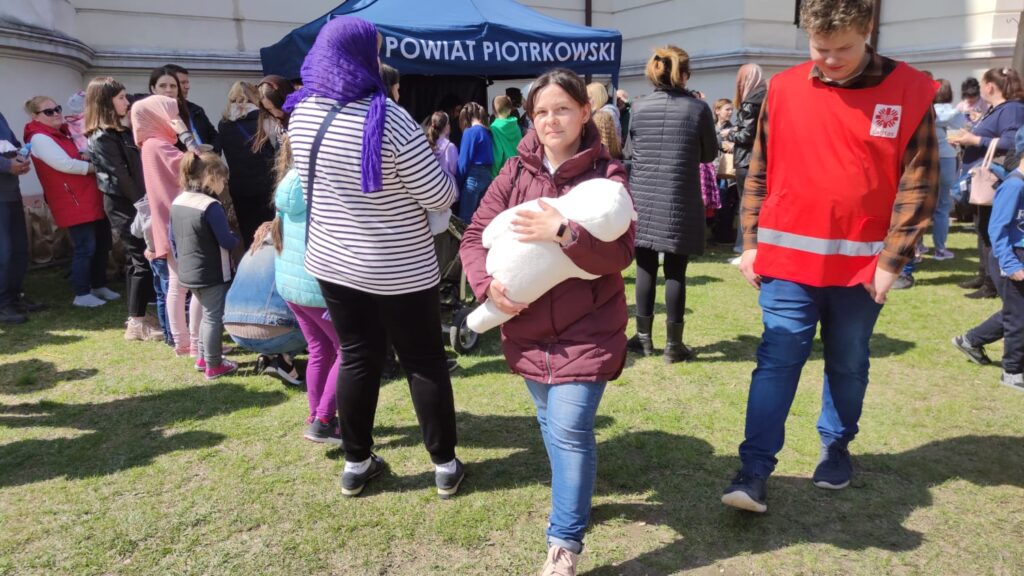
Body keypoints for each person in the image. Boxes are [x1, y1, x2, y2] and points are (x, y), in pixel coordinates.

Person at [720, 0, 939, 514]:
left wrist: (892, 261)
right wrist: (750, 243)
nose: (831, 60)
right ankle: (753, 469)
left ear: (868, 30)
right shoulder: (784, 88)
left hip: (862, 267)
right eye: (820, 49)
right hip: (787, 262)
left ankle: (836, 446)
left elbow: (919, 182)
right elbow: (760, 170)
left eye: (843, 48)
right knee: (776, 362)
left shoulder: (909, 90)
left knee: (848, 361)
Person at [461, 67, 635, 576]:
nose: (551, 120)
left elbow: (621, 252)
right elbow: (473, 236)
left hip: (589, 329)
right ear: (529, 118)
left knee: (569, 429)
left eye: (561, 109)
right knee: (550, 423)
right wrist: (485, 286)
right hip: (528, 330)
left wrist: (564, 232)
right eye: (541, 112)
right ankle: (574, 498)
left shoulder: (607, 175)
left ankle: (564, 543)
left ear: (584, 111)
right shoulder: (515, 173)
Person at [285, 15, 462, 499]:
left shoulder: (302, 112)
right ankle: (445, 465)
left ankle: (356, 462)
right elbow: (439, 193)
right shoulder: (390, 119)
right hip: (398, 266)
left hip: (333, 261)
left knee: (358, 356)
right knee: (423, 361)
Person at [626, 46, 718, 363]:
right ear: (685, 75)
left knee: (645, 267)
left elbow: (631, 150)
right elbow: (710, 154)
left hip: (644, 196)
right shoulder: (698, 108)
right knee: (676, 270)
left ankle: (643, 338)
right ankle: (673, 345)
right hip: (680, 195)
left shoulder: (638, 107)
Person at [272, 138, 342, 442]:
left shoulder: (287, 183)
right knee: (349, 350)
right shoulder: (319, 187)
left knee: (320, 349)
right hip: (316, 289)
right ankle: (324, 419)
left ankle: (316, 415)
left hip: (292, 288)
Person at [85, 76, 162, 341]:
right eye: (120, 97)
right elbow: (120, 176)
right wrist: (143, 204)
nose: (126, 102)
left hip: (137, 201)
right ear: (105, 102)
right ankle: (136, 323)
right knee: (139, 257)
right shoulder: (101, 137)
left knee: (140, 258)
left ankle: (138, 315)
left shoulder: (120, 131)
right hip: (124, 204)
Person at [23, 95, 119, 308]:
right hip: (72, 200)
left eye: (57, 108)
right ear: (35, 116)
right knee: (85, 246)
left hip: (89, 195)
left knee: (102, 243)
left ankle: (98, 285)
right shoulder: (39, 137)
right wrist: (97, 168)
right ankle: (82, 293)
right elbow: (64, 164)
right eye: (48, 111)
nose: (56, 113)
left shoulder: (65, 132)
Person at [132, 94, 203, 356]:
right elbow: (199, 163)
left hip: (168, 222)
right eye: (170, 114)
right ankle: (197, 343)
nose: (175, 119)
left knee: (177, 285)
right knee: (196, 286)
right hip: (181, 223)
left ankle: (183, 342)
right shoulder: (159, 146)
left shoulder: (150, 145)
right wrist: (186, 135)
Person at [948, 68, 1024, 300]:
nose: (981, 88)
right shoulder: (999, 108)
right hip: (986, 179)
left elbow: (1012, 141)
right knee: (982, 227)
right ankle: (985, 276)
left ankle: (993, 283)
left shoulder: (1011, 109)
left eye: (982, 84)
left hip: (996, 179)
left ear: (990, 86)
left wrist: (975, 139)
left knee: (991, 229)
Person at [169, 150, 239, 379]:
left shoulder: (178, 201)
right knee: (213, 318)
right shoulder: (211, 206)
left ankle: (202, 356)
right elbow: (225, 240)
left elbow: (172, 238)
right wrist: (236, 239)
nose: (224, 185)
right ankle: (214, 364)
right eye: (223, 181)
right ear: (211, 177)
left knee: (205, 315)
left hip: (188, 271)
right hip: (212, 272)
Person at [223, 221, 306, 387]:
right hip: (273, 330)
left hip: (234, 329)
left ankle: (267, 355)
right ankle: (285, 359)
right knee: (314, 324)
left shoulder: (251, 252)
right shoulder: (290, 253)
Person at [219, 81, 276, 248]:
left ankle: (251, 260)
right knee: (271, 231)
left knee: (248, 231)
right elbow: (277, 148)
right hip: (267, 184)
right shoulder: (263, 119)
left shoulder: (223, 124)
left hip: (239, 186)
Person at [723, 63, 768, 258]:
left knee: (746, 205)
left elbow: (746, 135)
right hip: (763, 159)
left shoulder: (750, 101)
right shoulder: (767, 97)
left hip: (746, 160)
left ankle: (744, 247)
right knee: (760, 204)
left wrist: (729, 135)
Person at [0, 110, 40, 324]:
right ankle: (3, 304)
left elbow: (13, 144)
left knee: (19, 250)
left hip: (11, 194)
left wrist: (20, 158)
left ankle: (14, 297)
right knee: (4, 253)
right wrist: (7, 165)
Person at [164, 64, 220, 153]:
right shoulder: (161, 114)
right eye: (183, 83)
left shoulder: (196, 109)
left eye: (187, 82)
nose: (187, 86)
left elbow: (214, 135)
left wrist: (213, 153)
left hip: (206, 159)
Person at [457, 101, 493, 223]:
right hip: (487, 177)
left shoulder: (470, 132)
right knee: (480, 220)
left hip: (473, 178)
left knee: (464, 221)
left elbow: (463, 162)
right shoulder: (487, 132)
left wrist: (458, 183)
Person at [253, 75, 296, 154]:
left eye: (278, 107)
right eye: (269, 110)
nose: (275, 114)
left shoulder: (302, 117)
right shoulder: (279, 128)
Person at [490, 95, 522, 177]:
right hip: (518, 169)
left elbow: (497, 155)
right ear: (510, 110)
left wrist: (493, 175)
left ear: (494, 110)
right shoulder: (515, 125)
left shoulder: (494, 128)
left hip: (504, 173)